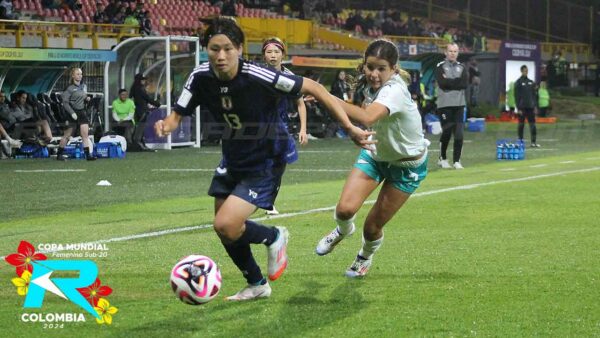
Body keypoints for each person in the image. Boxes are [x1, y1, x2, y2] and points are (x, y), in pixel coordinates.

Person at [154, 17, 372, 301]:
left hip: (266, 159)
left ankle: (274, 236)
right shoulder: (199, 77)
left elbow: (315, 89)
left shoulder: (261, 75)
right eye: (214, 49)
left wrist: (349, 128)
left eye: (228, 49)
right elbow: (177, 114)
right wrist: (168, 125)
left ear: (240, 49)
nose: (221, 56)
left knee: (226, 224)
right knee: (225, 230)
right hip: (232, 156)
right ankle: (257, 283)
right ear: (205, 49)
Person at [315, 39, 429, 278]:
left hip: (407, 166)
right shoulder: (369, 85)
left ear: (394, 69)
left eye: (381, 69)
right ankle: (342, 231)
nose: (374, 74)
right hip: (376, 153)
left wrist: (323, 95)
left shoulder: (395, 90)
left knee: (372, 227)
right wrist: (325, 98)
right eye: (370, 67)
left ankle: (364, 257)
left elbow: (367, 117)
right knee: (345, 210)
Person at [261, 36, 308, 215]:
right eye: (269, 52)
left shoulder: (290, 78)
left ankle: (268, 202)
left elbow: (300, 103)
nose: (273, 55)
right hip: (258, 126)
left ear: (282, 55)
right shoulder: (257, 74)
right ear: (264, 55)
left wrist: (303, 129)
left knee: (279, 165)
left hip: (281, 127)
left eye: (276, 51)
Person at [435, 43, 468, 169]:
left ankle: (456, 161)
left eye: (455, 51)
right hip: (444, 105)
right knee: (447, 132)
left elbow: (464, 83)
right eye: (450, 51)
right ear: (446, 52)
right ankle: (442, 158)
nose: (453, 53)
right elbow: (442, 83)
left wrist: (450, 82)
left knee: (459, 134)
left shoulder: (462, 67)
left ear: (458, 53)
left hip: (459, 104)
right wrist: (456, 82)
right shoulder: (440, 66)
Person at [56, 67, 96, 161]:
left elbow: (83, 96)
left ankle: (88, 155)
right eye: (78, 74)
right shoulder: (69, 88)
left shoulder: (82, 86)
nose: (80, 76)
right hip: (72, 113)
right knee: (67, 135)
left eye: (81, 74)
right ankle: (59, 154)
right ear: (73, 75)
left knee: (85, 135)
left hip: (81, 112)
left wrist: (87, 98)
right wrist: (72, 113)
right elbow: (65, 103)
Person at [130, 73, 160, 151]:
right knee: (141, 128)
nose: (144, 81)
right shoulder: (139, 89)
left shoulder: (134, 88)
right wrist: (156, 103)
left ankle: (140, 144)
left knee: (140, 127)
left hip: (138, 111)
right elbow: (147, 98)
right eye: (142, 80)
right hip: (142, 111)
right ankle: (138, 144)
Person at [515, 65, 540, 147]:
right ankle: (520, 142)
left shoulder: (531, 82)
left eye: (527, 71)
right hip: (522, 108)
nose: (526, 72)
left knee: (533, 125)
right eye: (525, 71)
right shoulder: (518, 82)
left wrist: (535, 106)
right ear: (521, 71)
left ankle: (533, 142)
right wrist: (518, 108)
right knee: (521, 125)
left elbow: (534, 95)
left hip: (530, 108)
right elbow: (517, 96)